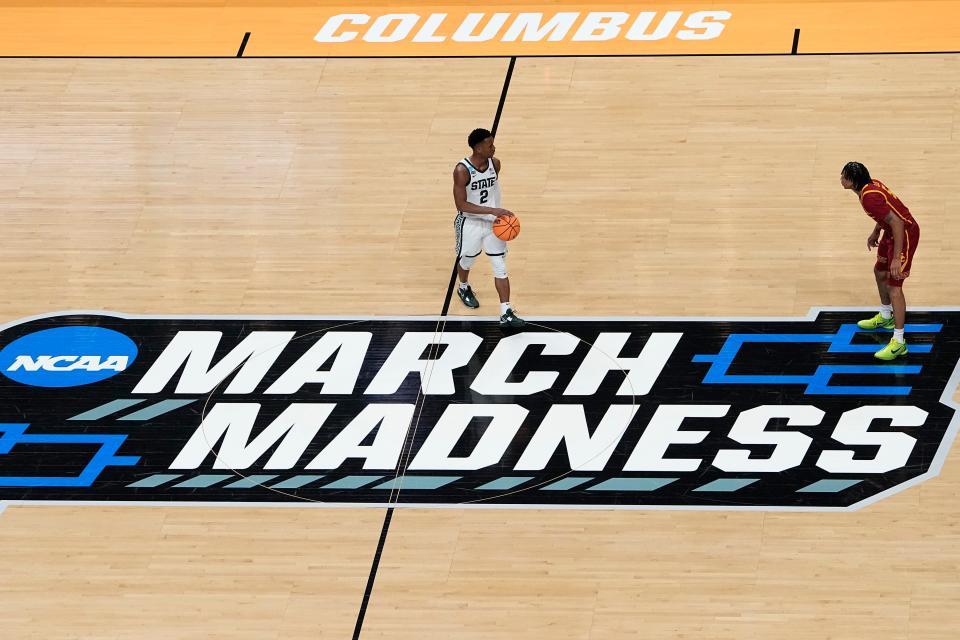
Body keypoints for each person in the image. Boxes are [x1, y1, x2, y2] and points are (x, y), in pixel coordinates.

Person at [841, 161, 920, 360]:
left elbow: (899, 222)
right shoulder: (870, 186)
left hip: (904, 234)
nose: (840, 179)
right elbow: (886, 214)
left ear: (851, 181)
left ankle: (899, 342)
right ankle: (886, 316)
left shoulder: (869, 198)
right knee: (879, 272)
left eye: (843, 176)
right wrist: (876, 231)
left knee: (895, 286)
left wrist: (896, 258)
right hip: (890, 232)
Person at [452, 128, 525, 329]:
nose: (494, 148)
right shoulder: (462, 170)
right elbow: (461, 205)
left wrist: (495, 214)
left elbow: (491, 191)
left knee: (500, 266)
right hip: (470, 223)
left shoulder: (495, 164)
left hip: (495, 224)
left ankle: (506, 312)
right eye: (489, 145)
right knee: (468, 259)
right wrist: (492, 210)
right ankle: (463, 287)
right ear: (477, 148)